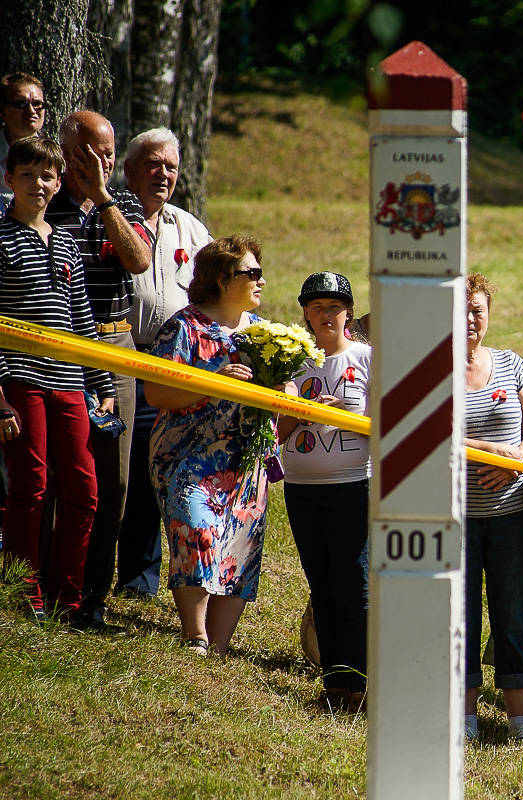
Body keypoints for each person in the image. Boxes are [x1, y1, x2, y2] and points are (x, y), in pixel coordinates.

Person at [143, 235, 283, 657]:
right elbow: (156, 393)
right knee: (198, 533)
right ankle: (195, 637)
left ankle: (218, 649)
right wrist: (214, 380)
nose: (261, 280)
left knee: (239, 550)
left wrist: (285, 390)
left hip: (246, 462)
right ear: (223, 279)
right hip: (187, 457)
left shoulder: (263, 335)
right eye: (251, 273)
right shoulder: (184, 328)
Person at [46, 110, 152, 633]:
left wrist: (104, 197)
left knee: (114, 483)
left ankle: (93, 596)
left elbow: (138, 261)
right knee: (57, 476)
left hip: (115, 341)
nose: (102, 162)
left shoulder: (123, 202)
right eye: (92, 152)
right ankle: (46, 585)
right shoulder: (44, 201)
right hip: (58, 347)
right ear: (68, 152)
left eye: (110, 153)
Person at [0, 136, 114, 624]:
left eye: (47, 176)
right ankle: (24, 595)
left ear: (59, 182)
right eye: (27, 175)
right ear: (9, 180)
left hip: (70, 380)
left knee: (84, 490)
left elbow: (81, 318)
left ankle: (68, 596)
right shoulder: (0, 239)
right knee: (31, 486)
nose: (38, 184)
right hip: (19, 378)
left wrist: (102, 382)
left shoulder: (66, 240)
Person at [115, 127, 212, 599]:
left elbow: (216, 291)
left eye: (171, 166)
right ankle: (109, 571)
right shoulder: (107, 219)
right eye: (153, 163)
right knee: (122, 470)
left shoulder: (190, 228)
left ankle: (141, 580)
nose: (164, 173)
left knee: (164, 469)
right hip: (120, 360)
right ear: (128, 169)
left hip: (176, 365)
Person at [278, 272, 371, 713]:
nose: (325, 314)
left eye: (334, 306)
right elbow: (274, 432)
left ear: (349, 312)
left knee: (354, 584)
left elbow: (390, 423)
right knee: (323, 585)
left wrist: (343, 417)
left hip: (352, 486)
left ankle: (364, 679)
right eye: (316, 308)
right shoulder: (291, 361)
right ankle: (334, 680)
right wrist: (302, 410)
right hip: (301, 488)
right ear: (306, 315)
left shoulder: (369, 358)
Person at [463, 272, 523, 745]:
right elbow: (434, 437)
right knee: (463, 616)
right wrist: (494, 450)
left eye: (477, 309)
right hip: (457, 517)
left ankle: (519, 720)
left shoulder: (512, 366)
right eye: (461, 310)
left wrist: (518, 458)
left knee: (514, 617)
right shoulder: (433, 371)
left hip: (512, 515)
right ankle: (468, 718)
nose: (471, 319)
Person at [0, 73, 46, 210]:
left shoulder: (56, 159)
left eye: (37, 104)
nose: (31, 111)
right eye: (21, 104)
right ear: (2, 109)